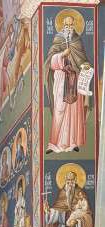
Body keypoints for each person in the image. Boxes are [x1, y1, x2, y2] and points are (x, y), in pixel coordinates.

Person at [44, 15, 91, 154]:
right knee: (59, 109)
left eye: (71, 25)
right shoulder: (58, 39)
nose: (69, 28)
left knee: (74, 111)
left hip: (75, 79)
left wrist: (85, 65)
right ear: (62, 25)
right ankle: (54, 144)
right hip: (61, 78)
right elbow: (50, 62)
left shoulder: (77, 40)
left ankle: (73, 142)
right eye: (66, 25)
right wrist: (62, 55)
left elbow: (82, 60)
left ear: (74, 25)